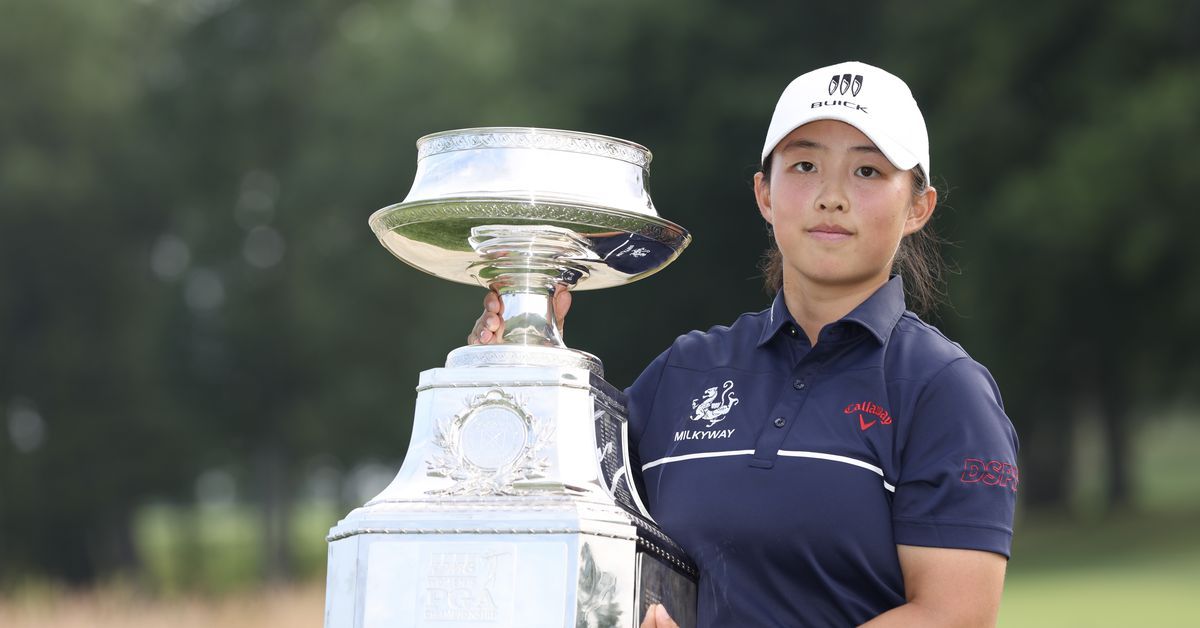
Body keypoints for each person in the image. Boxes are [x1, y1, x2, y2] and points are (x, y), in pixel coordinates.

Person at [471, 61, 1018, 627]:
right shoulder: (684, 372)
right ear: (764, 193)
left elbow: (952, 616)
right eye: (805, 165)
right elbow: (548, 502)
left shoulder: (944, 390)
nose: (832, 196)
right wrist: (517, 361)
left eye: (868, 172)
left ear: (918, 207)